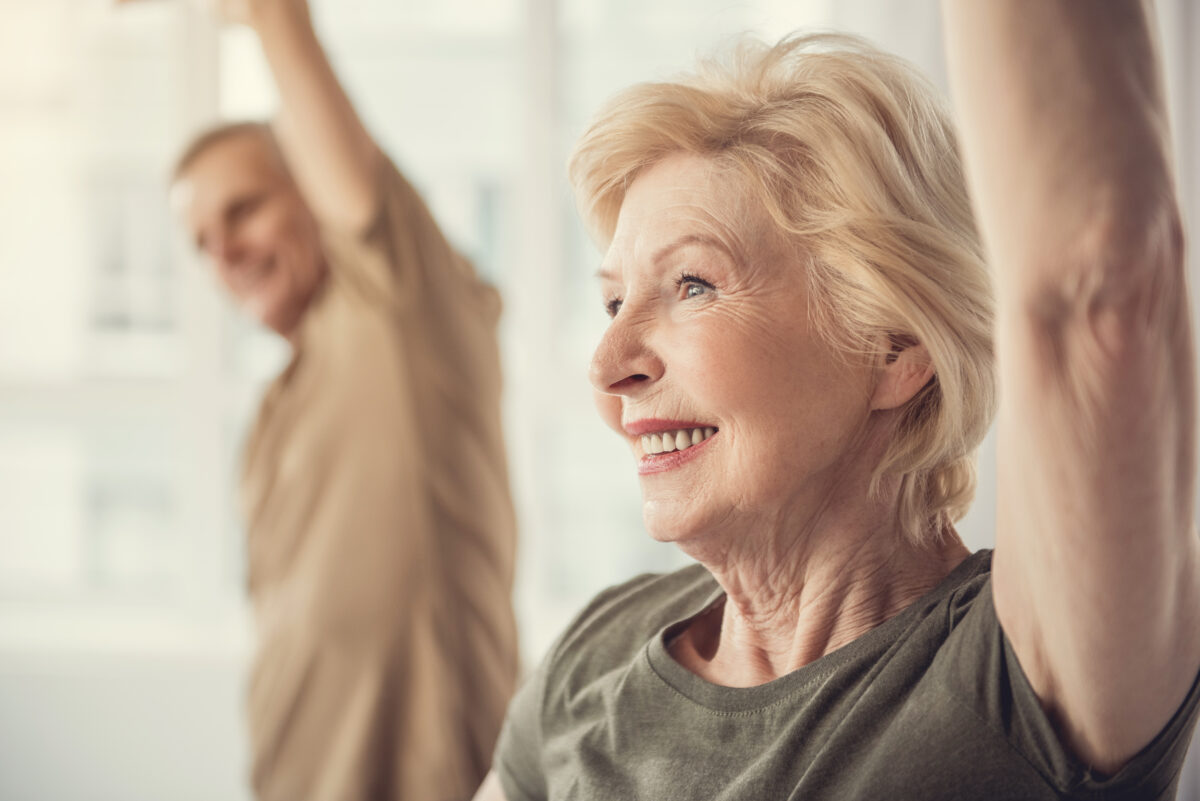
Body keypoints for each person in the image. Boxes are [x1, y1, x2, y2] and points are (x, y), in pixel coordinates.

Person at [472, 2, 1200, 799]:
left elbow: (1099, 296)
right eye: (614, 302)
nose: (607, 364)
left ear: (895, 347)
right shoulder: (594, 654)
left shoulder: (1019, 677)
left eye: (692, 284)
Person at [158, 1, 519, 798]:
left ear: (313, 194)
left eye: (243, 210)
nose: (225, 254)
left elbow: (353, 187)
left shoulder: (399, 316)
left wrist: (267, 16)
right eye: (202, 242)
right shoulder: (279, 399)